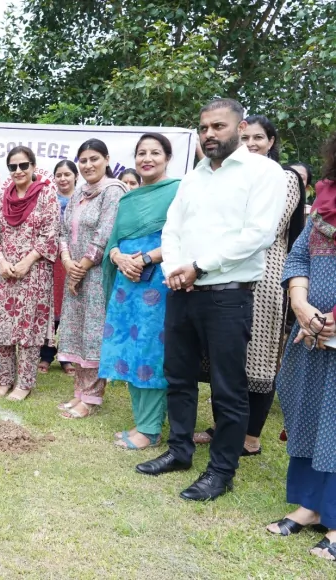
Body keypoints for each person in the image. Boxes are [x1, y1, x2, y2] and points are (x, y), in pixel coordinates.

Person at [135, 98, 287, 502]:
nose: (209, 134)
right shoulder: (195, 175)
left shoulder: (265, 172)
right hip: (182, 290)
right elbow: (173, 227)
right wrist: (176, 268)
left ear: (240, 128)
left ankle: (221, 471)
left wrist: (199, 266)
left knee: (227, 387)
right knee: (180, 378)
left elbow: (258, 235)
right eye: (204, 128)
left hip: (226, 295)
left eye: (218, 126)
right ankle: (180, 452)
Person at [194, 115, 306, 454]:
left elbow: (265, 228)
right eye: (245, 139)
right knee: (225, 356)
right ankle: (223, 427)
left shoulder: (282, 178)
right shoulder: (231, 177)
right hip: (225, 273)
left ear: (271, 142)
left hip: (266, 279)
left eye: (259, 137)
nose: (251, 144)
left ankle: (251, 437)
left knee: (258, 358)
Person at [265, 133, 336, 559]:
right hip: (311, 330)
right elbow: (298, 256)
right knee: (309, 410)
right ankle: (311, 506)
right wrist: (300, 302)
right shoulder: (326, 195)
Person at [100, 133, 180, 449]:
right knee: (129, 348)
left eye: (155, 152)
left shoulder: (178, 191)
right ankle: (142, 422)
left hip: (157, 282)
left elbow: (182, 238)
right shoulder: (128, 199)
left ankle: (149, 429)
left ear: (167, 157)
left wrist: (147, 258)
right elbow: (114, 241)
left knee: (150, 348)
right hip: (126, 282)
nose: (147, 158)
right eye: (141, 153)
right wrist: (119, 257)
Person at [57, 139, 127, 419]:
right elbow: (63, 230)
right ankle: (79, 393)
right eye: (83, 160)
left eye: (94, 159)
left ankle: (92, 396)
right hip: (75, 270)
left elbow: (105, 233)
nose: (88, 165)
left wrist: (81, 268)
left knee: (95, 334)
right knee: (77, 331)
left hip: (96, 274)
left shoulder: (113, 191)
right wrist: (67, 263)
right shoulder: (78, 193)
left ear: (107, 159)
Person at [0, 147, 61, 401]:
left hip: (35, 273)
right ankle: (5, 380)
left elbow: (51, 233)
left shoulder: (46, 194)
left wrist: (28, 261)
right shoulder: (2, 196)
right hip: (5, 273)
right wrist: (0, 260)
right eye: (13, 167)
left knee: (29, 330)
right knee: (5, 329)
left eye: (23, 165)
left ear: (32, 166)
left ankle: (25, 383)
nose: (18, 171)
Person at [40, 160, 77, 374]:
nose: (63, 179)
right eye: (59, 175)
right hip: (52, 260)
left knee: (70, 307)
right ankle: (46, 355)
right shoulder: (48, 200)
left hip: (75, 259)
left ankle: (66, 356)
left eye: (67, 174)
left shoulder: (82, 199)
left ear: (75, 176)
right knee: (51, 307)